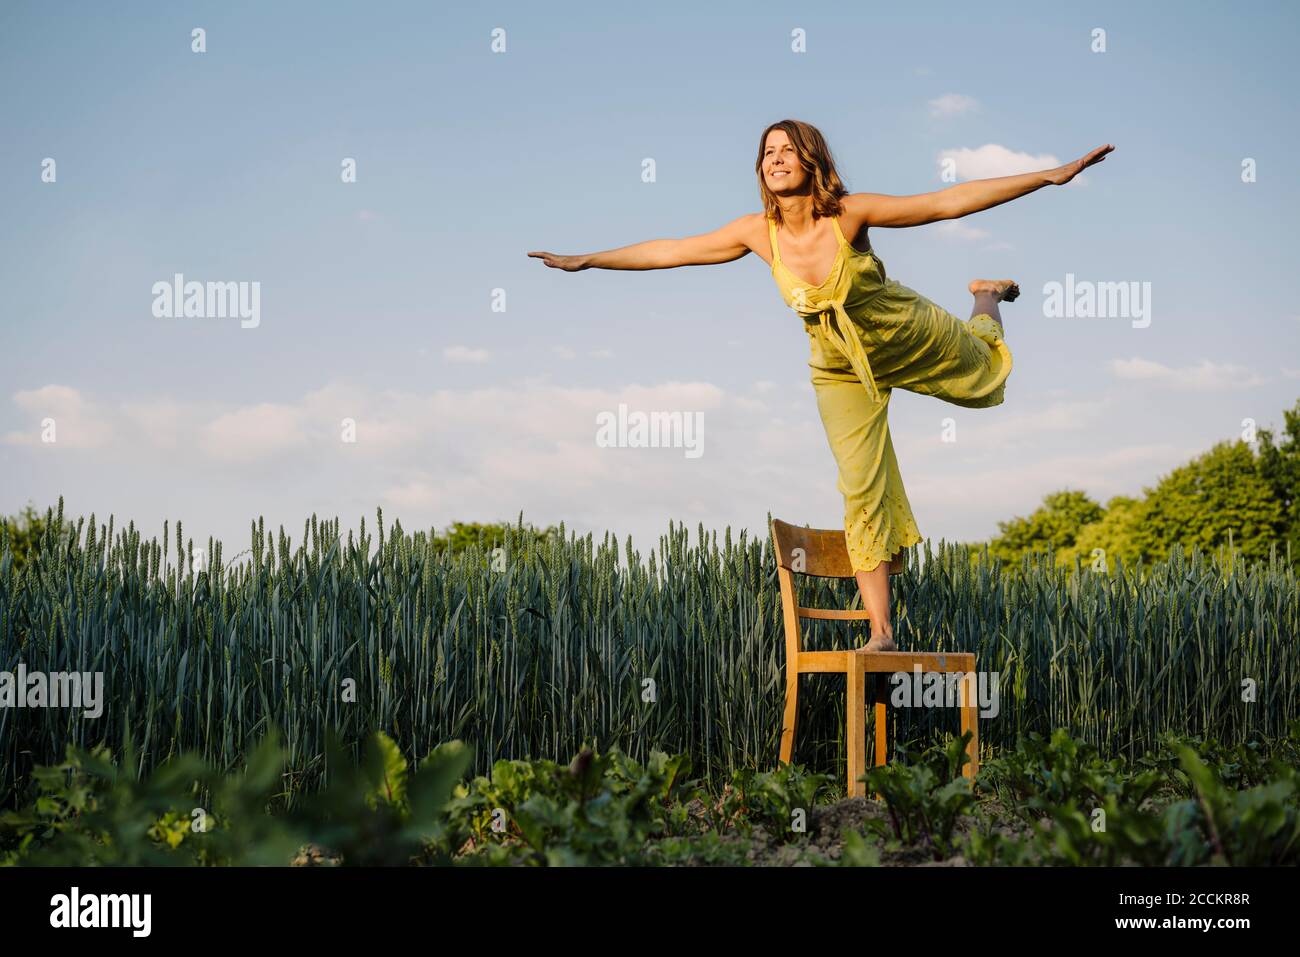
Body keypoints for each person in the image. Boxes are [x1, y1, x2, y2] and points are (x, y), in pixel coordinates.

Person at [530, 119, 1113, 651]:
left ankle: (985, 296)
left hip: (902, 332)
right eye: (767, 153)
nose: (775, 159)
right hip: (837, 367)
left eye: (788, 150)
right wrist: (588, 261)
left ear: (812, 161)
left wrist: (1048, 176)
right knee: (860, 487)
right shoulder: (756, 233)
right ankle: (882, 632)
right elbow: (671, 251)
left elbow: (942, 203)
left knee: (986, 382)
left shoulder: (849, 214)